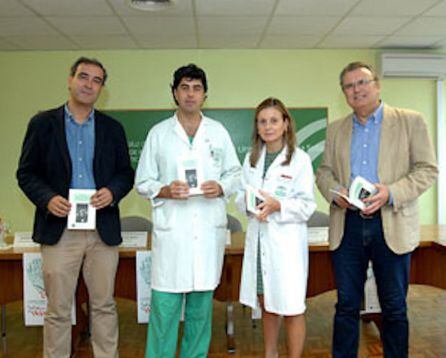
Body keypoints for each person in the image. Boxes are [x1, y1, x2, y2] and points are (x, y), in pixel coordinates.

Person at [316, 61, 438, 357]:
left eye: (362, 82)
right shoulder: (336, 129)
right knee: (346, 305)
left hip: (391, 223)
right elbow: (324, 173)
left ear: (377, 85)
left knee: (394, 306)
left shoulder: (410, 121)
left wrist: (391, 193)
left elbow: (427, 170)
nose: (356, 90)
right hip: (349, 224)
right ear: (344, 93)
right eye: (349, 85)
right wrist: (336, 193)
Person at [17, 57, 134, 358]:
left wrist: (112, 191)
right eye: (84, 77)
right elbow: (27, 173)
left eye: (97, 80)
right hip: (60, 231)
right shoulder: (42, 124)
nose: (89, 84)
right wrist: (47, 198)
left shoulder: (113, 128)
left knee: (104, 305)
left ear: (102, 89)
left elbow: (125, 173)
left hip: (101, 230)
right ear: (70, 80)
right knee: (57, 309)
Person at [135, 63, 241, 357]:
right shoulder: (159, 133)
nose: (190, 94)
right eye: (184, 87)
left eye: (197, 88)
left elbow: (235, 173)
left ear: (205, 95)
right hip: (173, 236)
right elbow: (142, 180)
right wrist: (165, 190)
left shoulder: (217, 132)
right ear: (174, 93)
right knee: (164, 314)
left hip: (207, 234)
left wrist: (220, 187)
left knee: (200, 315)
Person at [237, 97, 316, 358]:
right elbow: (240, 196)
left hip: (285, 246)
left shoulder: (299, 160)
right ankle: (270, 354)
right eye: (262, 121)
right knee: (266, 303)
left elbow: (306, 205)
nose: (268, 126)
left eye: (273, 120)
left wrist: (277, 205)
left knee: (292, 307)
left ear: (285, 124)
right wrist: (249, 205)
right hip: (260, 243)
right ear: (257, 127)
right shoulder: (251, 158)